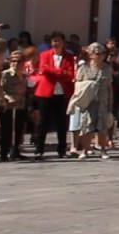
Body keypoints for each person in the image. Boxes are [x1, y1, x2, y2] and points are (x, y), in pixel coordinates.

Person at [31, 31, 76, 160]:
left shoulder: (68, 56)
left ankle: (61, 149)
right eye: (54, 41)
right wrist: (60, 72)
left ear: (63, 42)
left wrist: (57, 73)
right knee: (43, 122)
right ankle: (39, 149)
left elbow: (70, 74)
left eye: (59, 41)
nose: (56, 43)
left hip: (62, 92)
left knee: (61, 122)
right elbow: (44, 70)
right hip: (46, 92)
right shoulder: (45, 54)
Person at [70, 43, 114, 160]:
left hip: (102, 100)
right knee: (87, 125)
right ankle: (85, 149)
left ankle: (103, 150)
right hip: (88, 101)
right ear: (91, 55)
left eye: (103, 53)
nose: (101, 56)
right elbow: (77, 85)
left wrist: (110, 104)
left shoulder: (107, 68)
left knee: (102, 126)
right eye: (98, 54)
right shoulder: (83, 68)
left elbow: (109, 87)